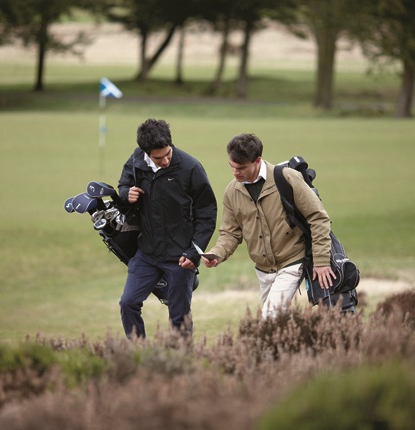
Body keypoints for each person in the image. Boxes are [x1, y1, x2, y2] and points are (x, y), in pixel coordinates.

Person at [201, 133, 335, 319]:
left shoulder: (287, 178)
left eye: (241, 168)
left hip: (292, 262)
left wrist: (321, 261)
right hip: (263, 270)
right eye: (231, 166)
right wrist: (217, 253)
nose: (235, 172)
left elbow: (318, 217)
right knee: (279, 324)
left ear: (257, 161)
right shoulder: (232, 191)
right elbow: (230, 233)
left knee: (269, 317)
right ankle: (300, 346)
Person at [117, 119, 217, 338]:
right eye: (158, 158)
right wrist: (127, 193)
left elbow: (207, 213)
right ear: (146, 153)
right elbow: (123, 185)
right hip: (147, 253)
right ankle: (139, 354)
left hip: (180, 257)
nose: (164, 161)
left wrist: (195, 252)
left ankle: (180, 362)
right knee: (128, 303)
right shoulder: (136, 161)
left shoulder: (190, 167)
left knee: (179, 316)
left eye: (168, 154)